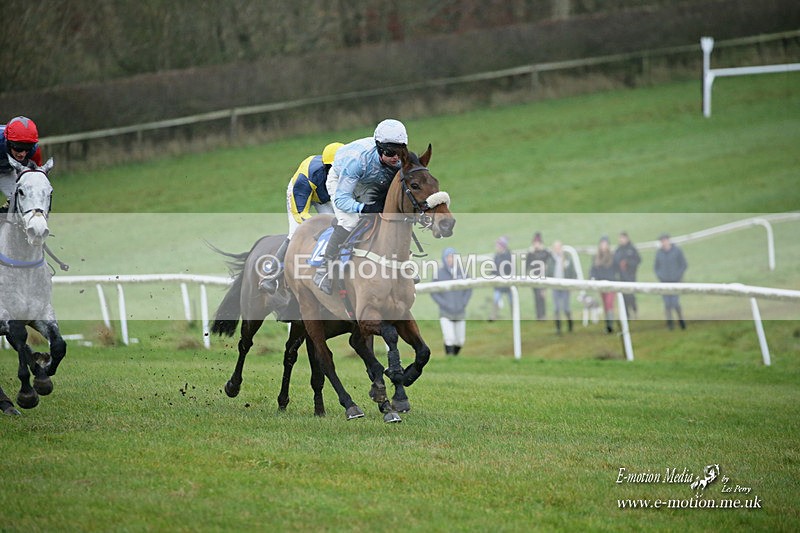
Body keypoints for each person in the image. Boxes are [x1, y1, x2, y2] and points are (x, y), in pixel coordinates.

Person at [313, 119, 407, 294]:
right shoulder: (358, 161)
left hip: (369, 180)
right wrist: (362, 208)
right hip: (342, 181)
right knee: (350, 222)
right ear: (379, 149)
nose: (396, 158)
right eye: (390, 152)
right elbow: (342, 200)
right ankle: (324, 269)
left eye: (400, 152)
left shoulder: (397, 161)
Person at [259, 141, 344, 292]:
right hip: (301, 194)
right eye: (335, 168)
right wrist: (317, 228)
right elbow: (300, 214)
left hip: (323, 197)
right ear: (327, 167)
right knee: (295, 232)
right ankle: (270, 275)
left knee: (338, 225)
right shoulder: (306, 179)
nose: (340, 172)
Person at [430, 247, 472, 355]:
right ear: (444, 259)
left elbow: (469, 289)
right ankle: (449, 358)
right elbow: (433, 292)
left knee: (460, 341)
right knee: (450, 338)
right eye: (448, 257)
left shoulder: (462, 272)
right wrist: (444, 304)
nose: (450, 259)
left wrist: (463, 302)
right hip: (445, 313)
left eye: (452, 257)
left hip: (460, 311)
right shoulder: (439, 274)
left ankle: (454, 359)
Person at [1, 116, 44, 208]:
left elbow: (37, 180)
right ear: (7, 141)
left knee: (22, 202)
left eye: (28, 148)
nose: (22, 154)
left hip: (6, 171)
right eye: (18, 147)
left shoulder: (34, 151)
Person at [654, 233, 688, 330]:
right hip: (664, 282)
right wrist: (661, 276)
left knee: (675, 303)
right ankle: (670, 324)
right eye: (662, 241)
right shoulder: (659, 253)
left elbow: (684, 264)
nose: (664, 243)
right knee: (667, 304)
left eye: (665, 240)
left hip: (675, 281)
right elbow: (656, 267)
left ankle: (681, 321)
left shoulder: (677, 251)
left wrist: (678, 275)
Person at [546, 240, 577, 335]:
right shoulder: (550, 260)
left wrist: (572, 284)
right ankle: (558, 328)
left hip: (565, 287)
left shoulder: (567, 259)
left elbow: (573, 273)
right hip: (555, 287)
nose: (557, 249)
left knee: (566, 308)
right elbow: (548, 274)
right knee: (556, 309)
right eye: (555, 248)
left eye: (558, 247)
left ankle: (570, 325)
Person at [589, 235, 616, 334]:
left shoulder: (613, 257)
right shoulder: (596, 257)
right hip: (601, 284)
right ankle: (608, 324)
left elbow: (616, 269)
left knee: (609, 304)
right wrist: (592, 278)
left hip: (610, 284)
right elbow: (593, 270)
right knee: (605, 305)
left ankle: (610, 325)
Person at [613, 231, 641, 319]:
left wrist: (628, 263)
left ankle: (634, 309)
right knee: (624, 296)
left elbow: (638, 260)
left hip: (631, 276)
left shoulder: (632, 249)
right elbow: (615, 263)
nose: (621, 240)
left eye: (623, 238)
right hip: (621, 277)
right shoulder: (618, 250)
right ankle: (627, 315)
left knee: (631, 295)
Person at [524, 231, 552, 320]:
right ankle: (539, 315)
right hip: (534, 278)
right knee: (536, 296)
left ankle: (543, 315)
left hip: (543, 277)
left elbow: (550, 262)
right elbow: (527, 265)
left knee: (542, 296)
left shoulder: (545, 252)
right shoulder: (531, 254)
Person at [489, 236, 513, 321]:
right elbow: (494, 268)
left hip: (508, 284)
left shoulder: (509, 256)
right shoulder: (497, 256)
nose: (497, 247)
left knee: (512, 302)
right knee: (495, 300)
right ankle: (493, 316)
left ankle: (514, 317)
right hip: (499, 284)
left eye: (498, 246)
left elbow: (509, 270)